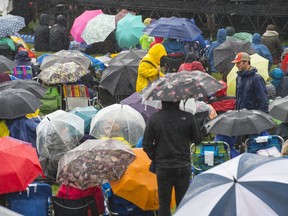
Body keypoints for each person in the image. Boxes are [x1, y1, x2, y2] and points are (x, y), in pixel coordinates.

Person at [143, 101, 202, 216]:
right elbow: (197, 139)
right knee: (183, 202)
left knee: (164, 203)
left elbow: (146, 144)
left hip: (163, 166)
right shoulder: (188, 117)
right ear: (179, 100)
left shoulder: (154, 119)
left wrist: (156, 157)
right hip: (183, 164)